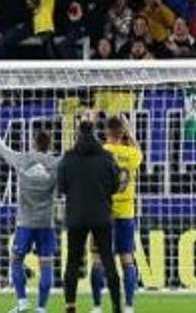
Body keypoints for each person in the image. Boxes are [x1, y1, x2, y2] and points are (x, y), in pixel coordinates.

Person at [0, 107, 60, 313]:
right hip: (46, 223)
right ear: (50, 145)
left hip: (25, 223)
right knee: (46, 264)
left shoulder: (22, 159)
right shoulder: (56, 163)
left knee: (16, 260)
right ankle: (42, 308)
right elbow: (77, 152)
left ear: (34, 143)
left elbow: (0, 147)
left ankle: (22, 302)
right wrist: (87, 124)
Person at [58, 112, 122, 313]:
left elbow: (62, 187)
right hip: (101, 215)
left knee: (72, 262)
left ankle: (70, 306)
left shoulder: (68, 158)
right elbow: (115, 185)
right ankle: (116, 306)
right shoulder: (106, 157)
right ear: (94, 133)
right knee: (108, 261)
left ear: (78, 133)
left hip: (76, 216)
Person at [92, 115, 143, 313]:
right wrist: (129, 133)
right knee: (127, 259)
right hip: (126, 215)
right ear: (122, 133)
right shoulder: (132, 154)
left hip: (103, 214)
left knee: (98, 260)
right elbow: (140, 152)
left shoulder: (101, 152)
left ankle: (97, 307)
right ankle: (129, 306)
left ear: (106, 133)